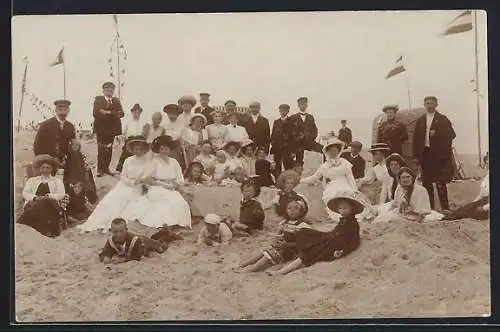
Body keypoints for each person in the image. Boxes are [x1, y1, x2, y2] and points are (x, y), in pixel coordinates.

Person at [267, 191, 362, 276]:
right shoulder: (343, 220)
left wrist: (343, 251)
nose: (343, 210)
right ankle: (287, 263)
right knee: (304, 232)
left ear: (352, 209)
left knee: (308, 253)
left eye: (346, 208)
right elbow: (334, 232)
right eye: (341, 208)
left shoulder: (353, 223)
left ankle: (282, 272)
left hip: (333, 245)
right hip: (330, 239)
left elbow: (355, 241)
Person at [77, 136, 153, 233]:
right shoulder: (128, 160)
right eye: (136, 149)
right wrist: (132, 182)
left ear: (144, 150)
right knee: (112, 199)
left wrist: (141, 184)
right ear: (133, 149)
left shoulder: (148, 162)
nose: (138, 151)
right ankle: (101, 221)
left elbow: (146, 178)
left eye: (141, 149)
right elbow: (123, 177)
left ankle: (115, 223)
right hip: (125, 185)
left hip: (138, 188)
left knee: (128, 202)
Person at [123, 135, 192, 229]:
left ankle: (178, 223)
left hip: (172, 188)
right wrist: (164, 185)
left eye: (167, 148)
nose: (164, 151)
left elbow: (180, 179)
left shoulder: (174, 162)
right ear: (158, 150)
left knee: (179, 202)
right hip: (157, 188)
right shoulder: (154, 161)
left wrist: (176, 184)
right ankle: (166, 224)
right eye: (162, 149)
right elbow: (148, 179)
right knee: (167, 201)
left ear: (170, 149)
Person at [300, 137, 370, 220]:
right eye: (330, 151)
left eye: (335, 150)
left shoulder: (344, 162)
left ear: (338, 151)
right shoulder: (325, 166)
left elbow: (350, 177)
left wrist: (354, 190)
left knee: (349, 198)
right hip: (332, 187)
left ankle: (352, 214)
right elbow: (314, 178)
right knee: (334, 198)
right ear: (327, 152)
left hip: (345, 185)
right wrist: (300, 180)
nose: (333, 153)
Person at [235, 197, 311, 273]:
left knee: (269, 255)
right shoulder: (285, 223)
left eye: (296, 208)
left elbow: (304, 243)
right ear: (286, 211)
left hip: (292, 251)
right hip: (282, 247)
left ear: (302, 211)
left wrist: (287, 244)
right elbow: (278, 236)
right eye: (289, 208)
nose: (292, 210)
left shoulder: (302, 225)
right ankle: (243, 265)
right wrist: (277, 239)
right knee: (263, 252)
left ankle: (251, 269)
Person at [413, 96, 456, 211]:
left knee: (440, 182)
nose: (429, 105)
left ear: (436, 105)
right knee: (426, 183)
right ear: (424, 105)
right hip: (425, 155)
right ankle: (429, 208)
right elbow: (416, 139)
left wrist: (437, 134)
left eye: (431, 103)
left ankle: (445, 208)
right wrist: (416, 157)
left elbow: (451, 135)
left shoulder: (442, 119)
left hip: (438, 156)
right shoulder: (421, 120)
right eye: (427, 103)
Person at [17, 155, 68, 237]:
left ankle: (23, 222)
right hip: (33, 204)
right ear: (39, 169)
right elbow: (25, 193)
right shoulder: (32, 180)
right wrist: (35, 198)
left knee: (44, 202)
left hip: (51, 206)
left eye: (48, 168)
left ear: (52, 169)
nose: (45, 170)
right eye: (43, 168)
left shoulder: (57, 181)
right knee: (39, 204)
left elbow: (61, 194)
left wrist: (49, 196)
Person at [375, 167, 442, 223]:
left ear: (412, 178)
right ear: (400, 180)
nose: (406, 180)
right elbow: (396, 204)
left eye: (408, 177)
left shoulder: (421, 190)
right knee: (381, 218)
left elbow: (424, 209)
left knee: (391, 219)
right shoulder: (399, 189)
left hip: (417, 216)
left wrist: (412, 211)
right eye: (403, 178)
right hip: (402, 215)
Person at [92, 82, 125, 177]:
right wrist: (113, 114)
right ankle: (100, 169)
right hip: (101, 129)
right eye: (107, 90)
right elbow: (96, 113)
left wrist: (107, 112)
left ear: (113, 91)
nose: (109, 92)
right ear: (103, 91)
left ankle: (106, 169)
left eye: (111, 90)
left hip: (112, 130)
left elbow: (121, 114)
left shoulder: (116, 100)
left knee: (109, 149)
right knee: (101, 149)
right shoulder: (98, 100)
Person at [443, 156, 489, 221]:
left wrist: (483, 208)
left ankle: (448, 218)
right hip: (483, 201)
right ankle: (450, 216)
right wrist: (471, 205)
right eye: (486, 161)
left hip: (488, 207)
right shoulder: (488, 176)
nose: (486, 162)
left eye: (488, 161)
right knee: (465, 209)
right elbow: (481, 195)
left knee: (469, 213)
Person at [33, 99, 76, 166]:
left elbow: (73, 145)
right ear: (56, 110)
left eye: (65, 110)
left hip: (65, 162)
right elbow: (37, 146)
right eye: (60, 110)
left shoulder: (70, 127)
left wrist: (67, 159)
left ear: (68, 111)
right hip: (47, 162)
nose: (63, 112)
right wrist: (47, 159)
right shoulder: (45, 125)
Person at [289, 96, 324, 164]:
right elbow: (290, 133)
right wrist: (298, 138)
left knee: (324, 150)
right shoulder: (293, 117)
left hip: (309, 142)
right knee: (298, 161)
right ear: (298, 105)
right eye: (301, 103)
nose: (303, 105)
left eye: (304, 103)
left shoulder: (310, 117)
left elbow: (315, 130)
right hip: (297, 144)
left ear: (307, 105)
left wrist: (311, 137)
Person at [63, 139, 97, 204]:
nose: (75, 147)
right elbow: (68, 168)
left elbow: (83, 164)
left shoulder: (80, 155)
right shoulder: (68, 155)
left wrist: (86, 168)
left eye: (77, 145)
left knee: (87, 181)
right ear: (71, 146)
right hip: (71, 175)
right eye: (73, 145)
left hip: (80, 174)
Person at [116, 103, 146, 173]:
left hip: (139, 140)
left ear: (140, 112)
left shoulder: (143, 123)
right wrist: (124, 139)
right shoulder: (128, 122)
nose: (136, 113)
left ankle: (138, 169)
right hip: (130, 140)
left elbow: (145, 133)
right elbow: (123, 133)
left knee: (140, 154)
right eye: (135, 111)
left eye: (138, 111)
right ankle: (120, 168)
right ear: (132, 112)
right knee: (125, 153)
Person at [270, 103, 293, 177]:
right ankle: (278, 181)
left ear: (288, 111)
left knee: (288, 165)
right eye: (281, 110)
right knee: (277, 166)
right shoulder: (276, 122)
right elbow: (273, 134)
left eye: (285, 110)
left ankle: (288, 181)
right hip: (277, 148)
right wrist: (273, 144)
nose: (283, 112)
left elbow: (294, 136)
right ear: (279, 111)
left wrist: (293, 151)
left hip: (288, 148)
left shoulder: (291, 121)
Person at [162, 104, 186, 169]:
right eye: (170, 112)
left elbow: (183, 138)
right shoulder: (164, 124)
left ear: (178, 114)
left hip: (177, 147)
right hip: (165, 146)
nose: (172, 114)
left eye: (174, 112)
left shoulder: (182, 124)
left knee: (176, 164)